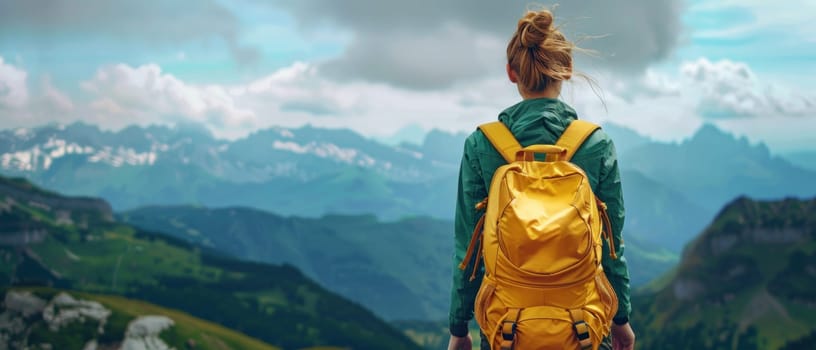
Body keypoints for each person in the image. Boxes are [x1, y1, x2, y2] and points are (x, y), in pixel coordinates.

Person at [447, 7, 635, 350]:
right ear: (567, 70)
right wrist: (621, 318)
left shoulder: (482, 145)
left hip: (508, 328)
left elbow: (469, 248)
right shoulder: (595, 144)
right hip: (584, 326)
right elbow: (612, 245)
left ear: (510, 73)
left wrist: (459, 327)